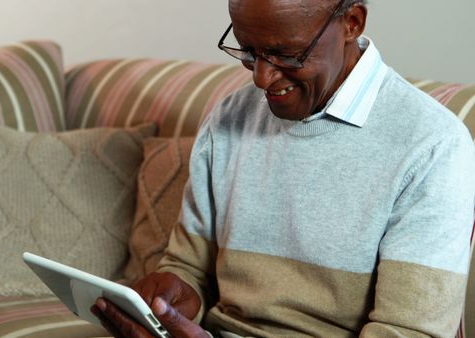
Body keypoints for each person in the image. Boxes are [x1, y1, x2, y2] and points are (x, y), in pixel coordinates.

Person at [92, 0, 475, 336]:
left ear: (352, 22)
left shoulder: (432, 146)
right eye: (248, 51)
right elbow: (188, 265)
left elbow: (408, 333)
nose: (261, 77)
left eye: (286, 54)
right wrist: (173, 303)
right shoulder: (229, 118)